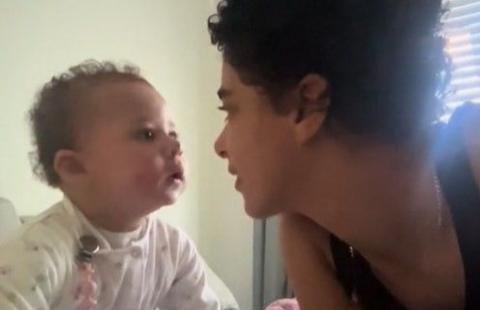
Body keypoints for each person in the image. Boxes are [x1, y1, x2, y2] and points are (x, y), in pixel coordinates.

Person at [208, 1, 480, 309]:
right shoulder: (306, 238)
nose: (219, 145)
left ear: (307, 104)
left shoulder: (474, 147)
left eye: (229, 110)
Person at [0, 60, 220, 310]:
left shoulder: (172, 248)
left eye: (173, 134)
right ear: (74, 167)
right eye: (147, 135)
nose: (176, 147)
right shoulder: (35, 253)